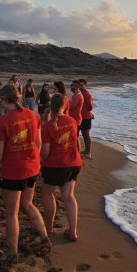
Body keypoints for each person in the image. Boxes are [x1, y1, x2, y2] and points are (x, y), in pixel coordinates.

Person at [0, 84, 50, 260]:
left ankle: (12, 253)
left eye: (0, 99)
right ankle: (44, 238)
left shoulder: (3, 122)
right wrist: (32, 160)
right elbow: (38, 142)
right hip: (32, 168)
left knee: (12, 213)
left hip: (14, 171)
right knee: (28, 204)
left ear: (5, 100)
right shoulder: (33, 115)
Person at [39, 94, 83, 242]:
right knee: (69, 196)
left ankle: (49, 226)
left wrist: (41, 162)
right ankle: (73, 231)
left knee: (48, 194)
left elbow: (45, 152)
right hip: (72, 163)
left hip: (54, 165)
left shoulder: (48, 126)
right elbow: (77, 143)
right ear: (65, 105)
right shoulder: (72, 121)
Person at [78, 79, 95, 158]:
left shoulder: (87, 94)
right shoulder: (81, 93)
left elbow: (90, 107)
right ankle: (86, 150)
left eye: (82, 85)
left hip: (86, 117)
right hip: (82, 116)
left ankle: (88, 152)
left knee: (86, 135)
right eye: (79, 85)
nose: (80, 87)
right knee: (84, 134)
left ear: (85, 85)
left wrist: (89, 113)